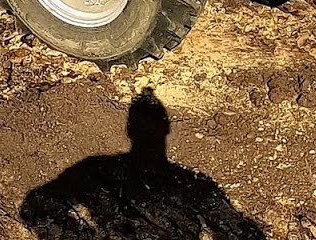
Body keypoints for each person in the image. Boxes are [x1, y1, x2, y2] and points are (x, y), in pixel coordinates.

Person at [19, 88, 265, 239]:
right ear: (168, 130)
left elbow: (38, 205)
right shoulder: (190, 186)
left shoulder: (99, 171)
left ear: (128, 130)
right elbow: (239, 231)